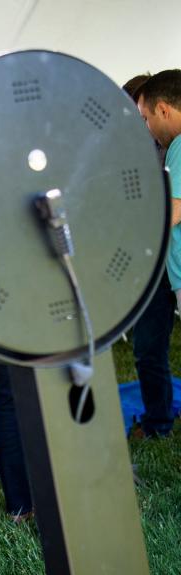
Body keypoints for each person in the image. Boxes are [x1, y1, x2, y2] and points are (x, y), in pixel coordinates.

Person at [136, 70, 181, 437]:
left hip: (165, 261)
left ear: (162, 109)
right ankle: (159, 421)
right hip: (161, 265)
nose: (146, 126)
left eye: (146, 117)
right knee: (150, 347)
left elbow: (173, 211)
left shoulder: (179, 145)